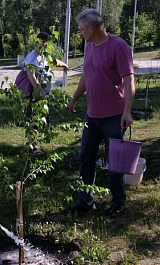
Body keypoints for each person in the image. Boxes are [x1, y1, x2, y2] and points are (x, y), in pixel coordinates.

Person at [66, 9, 135, 218]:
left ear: (91, 28)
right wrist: (74, 99)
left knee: (114, 161)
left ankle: (118, 202)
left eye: (80, 30)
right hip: (92, 115)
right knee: (85, 156)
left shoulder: (118, 46)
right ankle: (86, 201)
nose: (79, 34)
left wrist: (127, 111)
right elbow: (86, 77)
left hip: (114, 116)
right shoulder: (89, 47)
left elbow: (130, 80)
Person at [17, 32, 69, 154]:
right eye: (43, 41)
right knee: (34, 120)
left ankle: (33, 143)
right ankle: (33, 147)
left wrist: (64, 65)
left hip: (42, 94)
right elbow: (31, 75)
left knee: (39, 119)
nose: (45, 44)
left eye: (47, 42)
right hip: (34, 93)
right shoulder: (32, 57)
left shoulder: (45, 56)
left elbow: (54, 62)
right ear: (37, 42)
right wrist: (39, 90)